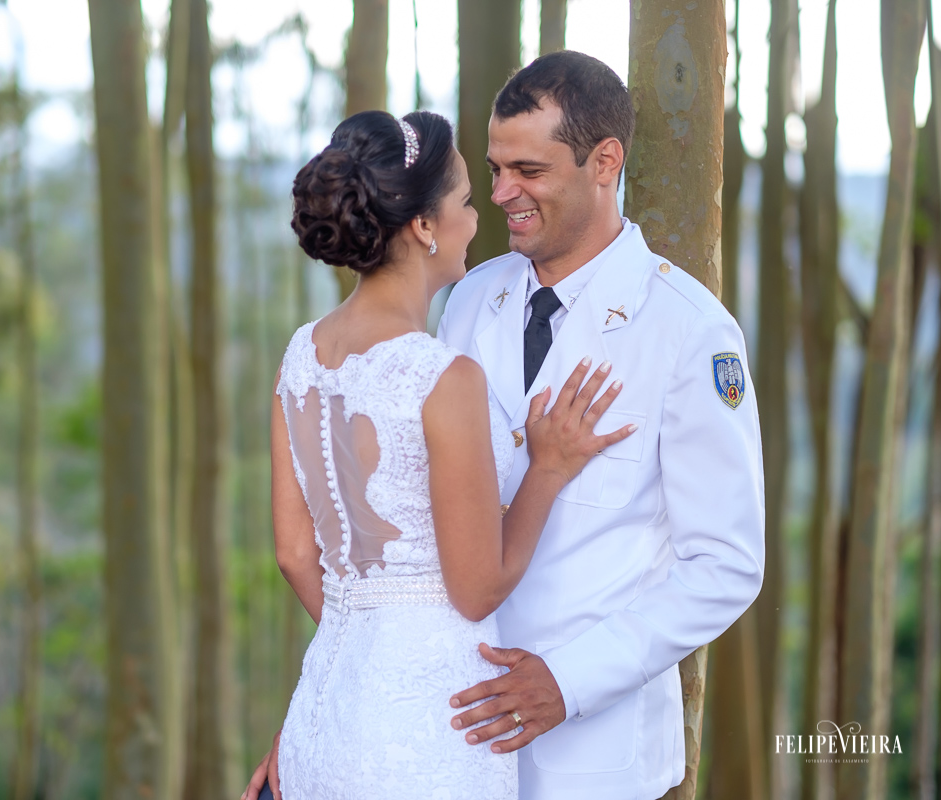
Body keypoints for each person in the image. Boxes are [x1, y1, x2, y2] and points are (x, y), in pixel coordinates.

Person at [246, 108, 636, 800]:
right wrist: (547, 469)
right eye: (465, 200)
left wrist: (369, 639)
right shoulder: (442, 377)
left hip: (324, 716)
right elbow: (478, 588)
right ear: (425, 225)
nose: (479, 216)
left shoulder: (301, 356)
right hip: (429, 727)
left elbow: (295, 554)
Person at [437, 51, 764, 799]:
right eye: (494, 170)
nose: (501, 194)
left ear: (605, 162)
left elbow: (726, 564)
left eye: (529, 170)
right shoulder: (467, 299)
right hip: (454, 740)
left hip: (597, 759)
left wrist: (570, 680)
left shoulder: (690, 331)